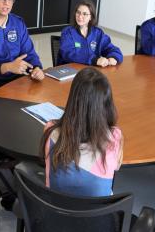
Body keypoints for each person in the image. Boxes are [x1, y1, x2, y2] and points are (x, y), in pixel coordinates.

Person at [40, 67, 123, 196]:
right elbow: (116, 167)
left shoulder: (50, 129)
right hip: (99, 214)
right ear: (106, 104)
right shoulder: (114, 137)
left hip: (55, 211)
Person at [57, 0, 123, 67]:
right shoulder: (67, 32)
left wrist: (114, 57)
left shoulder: (97, 33)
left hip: (90, 72)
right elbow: (69, 53)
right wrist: (94, 60)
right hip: (70, 71)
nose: (80, 16)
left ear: (91, 17)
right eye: (78, 12)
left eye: (85, 14)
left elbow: (113, 49)